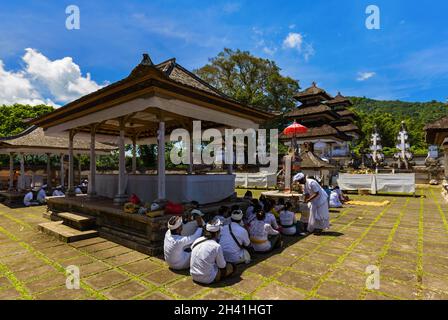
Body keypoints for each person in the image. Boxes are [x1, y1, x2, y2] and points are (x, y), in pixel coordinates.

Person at [190, 218, 236, 284]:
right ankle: (219, 277)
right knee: (232, 266)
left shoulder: (197, 240)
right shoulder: (216, 246)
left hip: (193, 275)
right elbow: (222, 266)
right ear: (217, 233)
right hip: (207, 278)